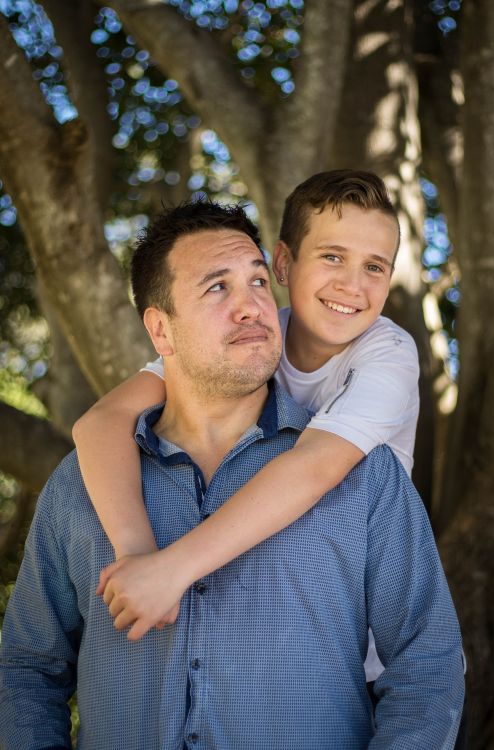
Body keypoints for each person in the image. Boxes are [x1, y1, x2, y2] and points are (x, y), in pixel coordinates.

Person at [0, 200, 464, 749]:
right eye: (217, 288)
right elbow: (27, 668)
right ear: (160, 330)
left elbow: (427, 668)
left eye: (259, 283)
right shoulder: (82, 484)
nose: (251, 307)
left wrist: (167, 568)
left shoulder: (366, 474)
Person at [74, 171, 420, 660]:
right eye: (332, 257)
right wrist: (136, 555)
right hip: (265, 631)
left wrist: (172, 569)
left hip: (361, 649)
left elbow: (315, 466)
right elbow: (101, 422)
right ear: (282, 262)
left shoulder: (390, 354)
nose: (352, 285)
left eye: (375, 267)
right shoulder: (251, 337)